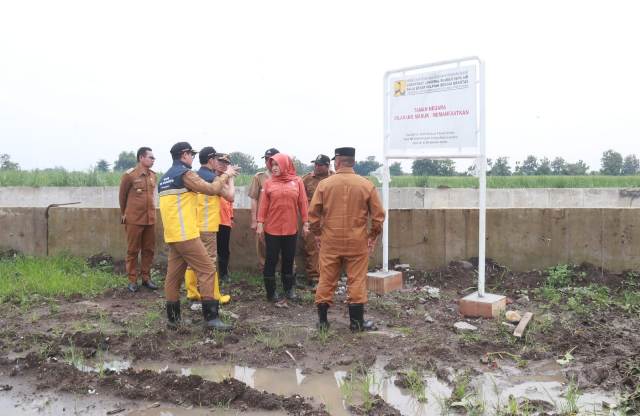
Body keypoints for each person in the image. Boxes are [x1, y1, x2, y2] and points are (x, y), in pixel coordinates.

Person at [158, 141, 238, 331]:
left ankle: (173, 319)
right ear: (184, 154)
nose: (193, 158)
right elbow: (210, 189)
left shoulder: (165, 178)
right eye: (191, 155)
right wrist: (226, 174)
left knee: (173, 276)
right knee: (208, 270)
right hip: (186, 233)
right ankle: (211, 319)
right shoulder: (184, 174)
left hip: (173, 234)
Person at [310, 147, 385, 331]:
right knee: (356, 280)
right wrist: (372, 236)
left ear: (337, 162)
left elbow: (313, 215)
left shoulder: (324, 185)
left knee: (326, 279)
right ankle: (356, 323)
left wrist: (318, 234)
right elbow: (378, 216)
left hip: (330, 241)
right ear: (353, 162)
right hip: (357, 242)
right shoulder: (366, 185)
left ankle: (322, 322)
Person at [256, 153, 309, 304]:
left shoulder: (297, 181)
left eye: (277, 164)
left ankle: (289, 290)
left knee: (288, 259)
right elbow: (263, 205)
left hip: (291, 229)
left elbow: (303, 203)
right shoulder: (268, 183)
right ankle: (271, 293)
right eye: (272, 165)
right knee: (271, 260)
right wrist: (260, 223)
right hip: (272, 229)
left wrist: (306, 222)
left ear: (285, 165)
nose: (274, 168)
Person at [184, 147, 233, 309]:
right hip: (208, 226)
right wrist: (230, 177)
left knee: (192, 261)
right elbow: (230, 196)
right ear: (211, 160)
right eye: (216, 159)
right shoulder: (213, 179)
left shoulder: (194, 176)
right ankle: (214, 296)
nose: (218, 162)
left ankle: (192, 292)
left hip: (193, 225)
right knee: (210, 261)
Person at [119, 146, 159, 293]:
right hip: (134, 219)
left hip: (150, 219)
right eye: (151, 157)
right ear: (141, 158)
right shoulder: (130, 175)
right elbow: (122, 197)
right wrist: (124, 213)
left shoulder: (153, 175)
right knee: (133, 250)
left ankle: (146, 278)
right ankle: (132, 280)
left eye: (153, 158)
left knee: (149, 250)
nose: (153, 160)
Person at [300, 154, 332, 287]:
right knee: (312, 248)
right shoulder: (306, 179)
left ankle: (329, 277)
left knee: (330, 249)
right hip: (313, 219)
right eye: (315, 164)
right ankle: (314, 277)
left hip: (331, 219)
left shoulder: (334, 178)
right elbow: (301, 200)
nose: (317, 167)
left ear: (327, 166)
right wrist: (305, 221)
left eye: (320, 165)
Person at [248, 148, 279, 272]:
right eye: (266, 159)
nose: (268, 162)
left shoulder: (286, 177)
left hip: (280, 218)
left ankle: (285, 272)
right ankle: (265, 271)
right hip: (263, 219)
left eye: (270, 159)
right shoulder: (259, 177)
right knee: (262, 246)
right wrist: (254, 220)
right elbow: (254, 199)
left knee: (282, 247)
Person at [215, 153, 235, 283]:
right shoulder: (210, 178)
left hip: (225, 220)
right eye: (220, 162)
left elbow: (230, 202)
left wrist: (231, 217)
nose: (223, 165)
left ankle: (223, 274)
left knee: (224, 250)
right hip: (211, 220)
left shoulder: (228, 181)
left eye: (226, 163)